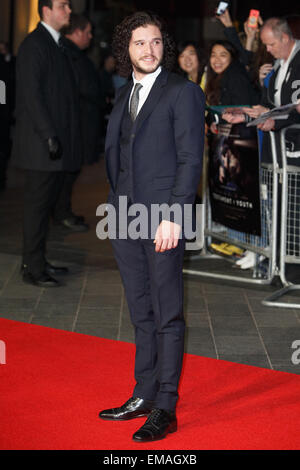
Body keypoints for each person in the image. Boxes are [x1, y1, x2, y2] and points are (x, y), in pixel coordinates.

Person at [98, 11, 205, 442]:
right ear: (127, 48)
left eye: (156, 42)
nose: (149, 50)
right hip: (123, 216)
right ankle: (142, 392)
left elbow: (189, 160)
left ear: (165, 46)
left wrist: (174, 217)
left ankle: (165, 404)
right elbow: (117, 154)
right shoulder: (125, 94)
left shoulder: (183, 93)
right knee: (140, 309)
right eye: (140, 43)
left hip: (161, 220)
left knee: (167, 313)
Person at [11, 0, 81, 287]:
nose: (69, 11)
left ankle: (38, 260)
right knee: (37, 208)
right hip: (41, 145)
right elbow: (32, 95)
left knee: (44, 207)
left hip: (52, 144)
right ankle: (32, 268)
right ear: (46, 10)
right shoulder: (34, 44)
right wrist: (49, 134)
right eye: (63, 6)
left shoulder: (56, 44)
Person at [52, 13, 103, 232]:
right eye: (88, 32)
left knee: (70, 172)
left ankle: (62, 211)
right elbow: (84, 88)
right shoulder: (68, 55)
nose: (90, 37)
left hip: (80, 122)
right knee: (66, 172)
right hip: (76, 124)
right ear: (77, 32)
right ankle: (60, 213)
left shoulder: (72, 54)